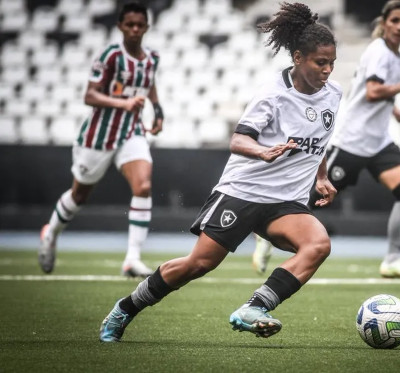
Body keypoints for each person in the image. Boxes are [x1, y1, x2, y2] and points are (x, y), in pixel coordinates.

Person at [99, 2, 341, 342]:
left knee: (317, 245)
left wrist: (321, 176)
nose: (328, 70)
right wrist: (262, 151)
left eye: (332, 63)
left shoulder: (333, 95)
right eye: (321, 62)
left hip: (285, 203)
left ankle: (254, 308)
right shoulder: (274, 94)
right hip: (242, 192)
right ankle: (127, 307)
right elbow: (239, 139)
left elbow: (320, 141)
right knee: (197, 265)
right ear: (298, 57)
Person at [253, 0, 400, 280]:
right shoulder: (379, 50)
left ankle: (393, 259)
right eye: (394, 20)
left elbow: (364, 87)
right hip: (352, 142)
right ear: (384, 22)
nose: (399, 27)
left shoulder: (393, 54)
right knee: (314, 197)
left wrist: (393, 108)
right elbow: (371, 91)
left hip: (379, 142)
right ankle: (266, 230)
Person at [38, 2, 164, 278]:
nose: (134, 29)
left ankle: (132, 258)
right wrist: (123, 103)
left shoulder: (152, 58)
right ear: (120, 26)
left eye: (139, 25)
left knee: (143, 186)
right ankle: (51, 233)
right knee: (79, 195)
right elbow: (90, 95)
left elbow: (149, 83)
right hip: (99, 136)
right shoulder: (109, 56)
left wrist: (158, 110)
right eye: (129, 24)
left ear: (146, 27)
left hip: (131, 131)